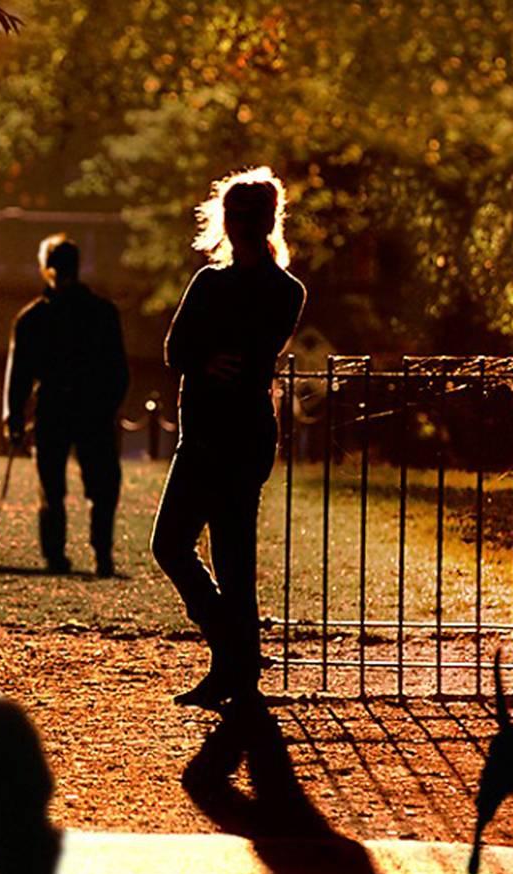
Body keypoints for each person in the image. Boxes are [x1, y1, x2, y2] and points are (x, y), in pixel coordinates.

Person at [152, 167, 306, 709]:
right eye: (235, 216)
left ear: (264, 221)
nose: (239, 225)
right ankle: (236, 653)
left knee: (226, 556)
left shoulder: (280, 290)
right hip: (206, 433)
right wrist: (205, 356)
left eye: (248, 216)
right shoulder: (214, 282)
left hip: (235, 435)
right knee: (176, 545)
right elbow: (176, 349)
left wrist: (206, 353)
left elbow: (249, 350)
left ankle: (234, 663)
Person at [3, 234, 129, 576]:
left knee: (52, 488)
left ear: (47, 270)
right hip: (94, 410)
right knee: (102, 487)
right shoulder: (103, 312)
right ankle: (102, 553)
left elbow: (19, 376)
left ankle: (55, 556)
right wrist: (108, 405)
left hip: (52, 409)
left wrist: (13, 417)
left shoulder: (31, 319)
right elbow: (118, 369)